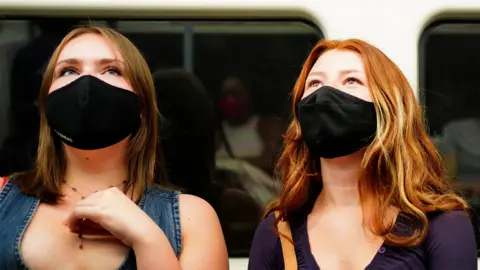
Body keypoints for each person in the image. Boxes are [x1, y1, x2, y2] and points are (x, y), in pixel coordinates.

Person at [0, 26, 228, 270]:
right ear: (47, 103)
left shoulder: (192, 219)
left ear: (141, 107)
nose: (86, 84)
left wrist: (147, 238)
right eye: (69, 70)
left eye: (111, 70)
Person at [248, 39, 478, 270]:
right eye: (315, 83)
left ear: (388, 107)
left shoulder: (443, 226)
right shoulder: (277, 232)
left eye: (351, 80)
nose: (326, 93)